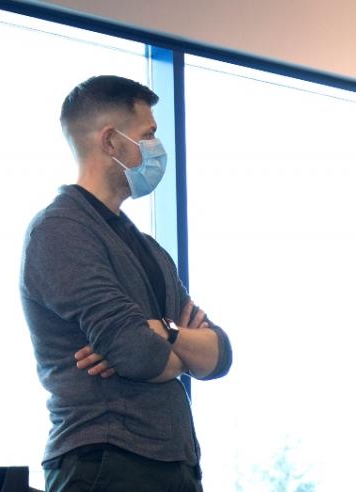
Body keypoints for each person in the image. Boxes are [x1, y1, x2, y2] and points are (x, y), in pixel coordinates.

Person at [20, 75, 232, 492]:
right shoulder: (61, 230)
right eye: (148, 134)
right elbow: (138, 355)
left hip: (175, 463)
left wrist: (162, 332)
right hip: (106, 462)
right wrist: (169, 345)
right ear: (111, 142)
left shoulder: (148, 248)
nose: (157, 148)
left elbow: (219, 354)